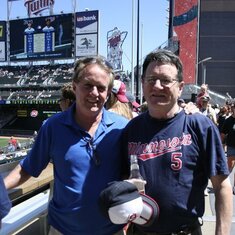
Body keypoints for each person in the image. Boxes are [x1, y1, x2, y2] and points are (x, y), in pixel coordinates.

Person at [4, 56, 129, 235]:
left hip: (111, 230)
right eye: (88, 85)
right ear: (75, 86)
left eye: (101, 88)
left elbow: (130, 173)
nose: (94, 93)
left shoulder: (122, 127)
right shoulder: (53, 127)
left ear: (108, 92)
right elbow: (27, 168)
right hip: (63, 230)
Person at [120, 49, 232, 235]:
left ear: (180, 87)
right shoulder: (131, 129)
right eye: (151, 79)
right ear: (142, 83)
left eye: (165, 80)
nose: (157, 86)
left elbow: (222, 186)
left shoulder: (199, 126)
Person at [220, 103, 235, 195]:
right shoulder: (228, 120)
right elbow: (223, 134)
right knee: (230, 166)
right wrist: (220, 145)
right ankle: (224, 184)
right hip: (231, 146)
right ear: (233, 108)